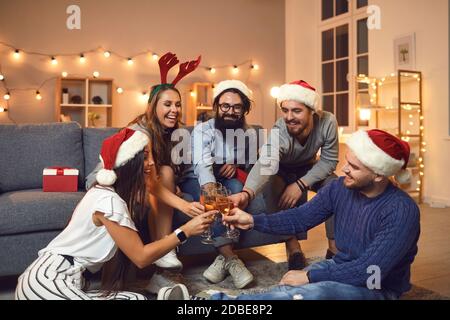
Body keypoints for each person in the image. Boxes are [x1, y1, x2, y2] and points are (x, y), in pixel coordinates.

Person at [192, 129, 418, 300]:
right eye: (346, 162)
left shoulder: (401, 211)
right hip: (340, 267)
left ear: (379, 175)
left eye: (354, 167)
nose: (344, 170)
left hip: (376, 287)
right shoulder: (340, 187)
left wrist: (310, 277)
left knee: (312, 292)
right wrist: (251, 220)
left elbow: (371, 272)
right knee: (289, 287)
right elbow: (299, 218)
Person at [15, 128, 214, 300]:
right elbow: (142, 257)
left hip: (62, 281)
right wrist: (185, 231)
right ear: (129, 163)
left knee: (135, 297)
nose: (152, 162)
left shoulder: (106, 194)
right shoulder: (108, 201)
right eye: (145, 156)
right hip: (47, 280)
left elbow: (154, 187)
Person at [86, 52, 204, 271]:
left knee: (167, 173)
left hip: (146, 184)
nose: (174, 110)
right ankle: (165, 246)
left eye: (177, 105)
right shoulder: (138, 133)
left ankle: (163, 251)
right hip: (109, 185)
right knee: (165, 173)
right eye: (167, 104)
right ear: (153, 106)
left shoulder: (176, 133)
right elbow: (143, 178)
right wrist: (183, 205)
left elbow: (176, 172)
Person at [229, 80, 339, 270]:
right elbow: (266, 164)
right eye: (285, 110)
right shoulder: (280, 130)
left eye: (296, 111)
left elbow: (329, 161)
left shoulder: (328, 121)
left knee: (335, 185)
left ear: (311, 110)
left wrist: (300, 184)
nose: (289, 117)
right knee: (273, 186)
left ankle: (335, 250)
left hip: (307, 168)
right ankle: (292, 246)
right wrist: (247, 193)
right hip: (280, 169)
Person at [178, 80, 256, 289]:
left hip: (226, 178)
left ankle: (221, 258)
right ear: (216, 107)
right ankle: (231, 258)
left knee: (238, 191)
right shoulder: (203, 130)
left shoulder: (247, 133)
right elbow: (202, 165)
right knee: (214, 198)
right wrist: (211, 190)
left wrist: (236, 163)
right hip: (196, 179)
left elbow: (251, 162)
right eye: (225, 106)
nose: (230, 111)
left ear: (244, 109)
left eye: (237, 107)